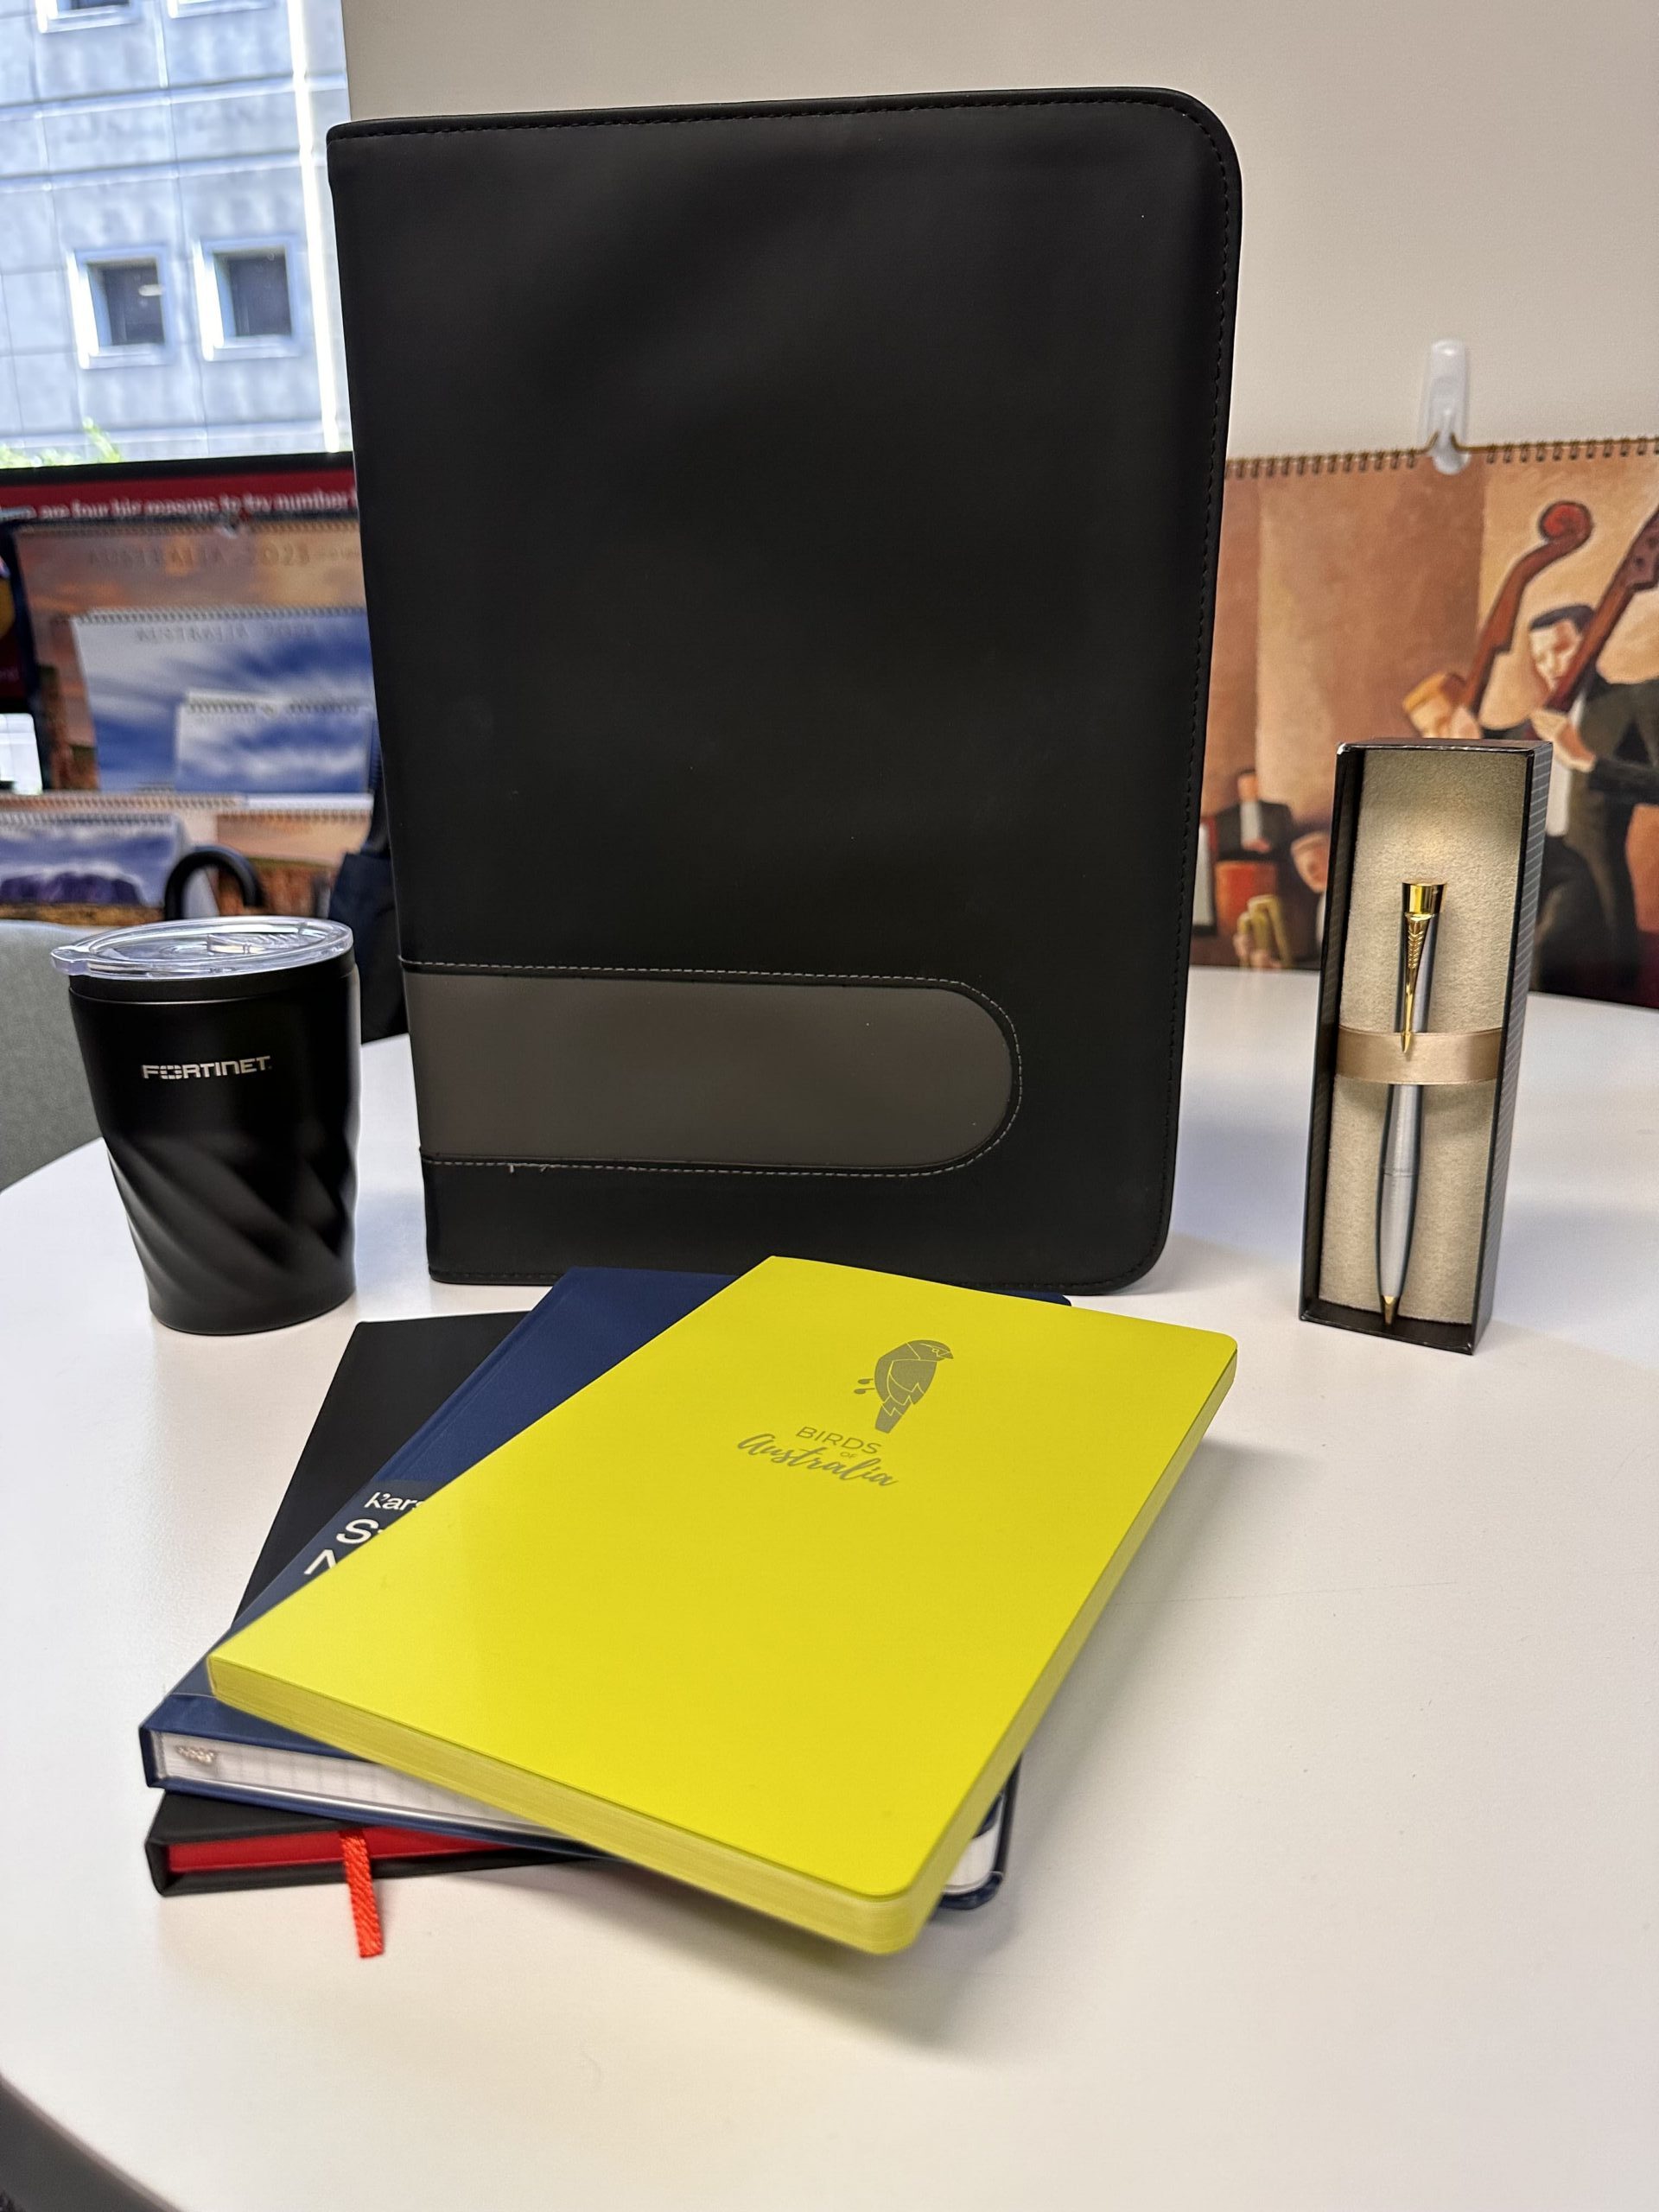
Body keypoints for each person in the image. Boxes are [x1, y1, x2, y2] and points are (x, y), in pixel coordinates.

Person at [1486, 604, 1659, 1000]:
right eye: (1541, 656)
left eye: (1562, 649)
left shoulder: (1634, 700)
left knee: (1545, 956)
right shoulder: (1533, 725)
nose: (1551, 665)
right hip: (1537, 866)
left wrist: (1586, 760)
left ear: (1591, 643)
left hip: (1589, 874)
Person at [1214, 768, 1295, 863]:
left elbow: (1289, 840)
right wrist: (1244, 847)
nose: (1249, 788)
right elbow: (1223, 848)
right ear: (1238, 787)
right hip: (1239, 859)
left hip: (1270, 859)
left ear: (1258, 786)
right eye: (1245, 785)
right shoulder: (1225, 817)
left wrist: (1269, 845)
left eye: (1253, 784)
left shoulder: (1279, 810)